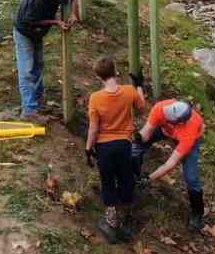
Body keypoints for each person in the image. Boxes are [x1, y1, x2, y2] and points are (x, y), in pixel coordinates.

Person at [86, 56, 145, 243]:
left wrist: (88, 148)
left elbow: (93, 127)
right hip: (125, 144)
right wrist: (139, 86)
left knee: (107, 181)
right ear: (115, 71)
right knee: (126, 178)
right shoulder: (129, 91)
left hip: (104, 147)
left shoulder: (95, 98)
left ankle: (111, 223)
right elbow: (141, 107)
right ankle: (126, 220)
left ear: (98, 76)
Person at [133, 99, 206, 232]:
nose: (165, 116)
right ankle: (134, 174)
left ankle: (197, 213)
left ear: (179, 122)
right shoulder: (160, 108)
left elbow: (170, 163)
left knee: (191, 177)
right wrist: (137, 138)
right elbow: (146, 132)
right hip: (165, 130)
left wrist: (149, 178)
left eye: (168, 119)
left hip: (190, 138)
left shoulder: (189, 130)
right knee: (136, 148)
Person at [12, 0, 79, 120]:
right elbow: (32, 20)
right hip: (25, 32)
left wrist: (74, 13)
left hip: (38, 33)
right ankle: (29, 111)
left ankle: (38, 101)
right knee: (27, 71)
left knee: (38, 65)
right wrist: (56, 22)